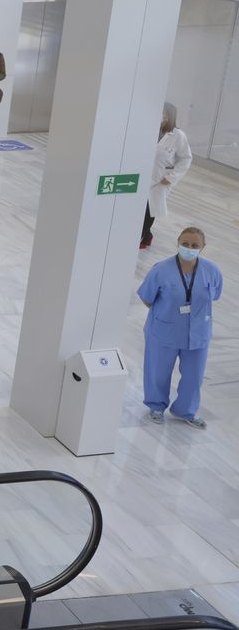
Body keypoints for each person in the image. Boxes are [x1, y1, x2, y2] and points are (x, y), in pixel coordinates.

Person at [137, 227, 222, 429]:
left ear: (203, 247)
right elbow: (147, 298)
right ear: (178, 243)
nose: (189, 248)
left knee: (195, 376)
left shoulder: (212, 270)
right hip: (164, 331)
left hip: (198, 333)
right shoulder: (161, 269)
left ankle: (186, 410)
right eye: (185, 244)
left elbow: (215, 295)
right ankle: (156, 406)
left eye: (194, 245)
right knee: (158, 371)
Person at [143, 102, 193, 249]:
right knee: (139, 208)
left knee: (149, 209)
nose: (161, 116)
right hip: (142, 177)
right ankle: (147, 236)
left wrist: (171, 177)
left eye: (164, 114)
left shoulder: (178, 136)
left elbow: (186, 159)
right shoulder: (149, 128)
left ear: (170, 116)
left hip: (160, 180)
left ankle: (141, 235)